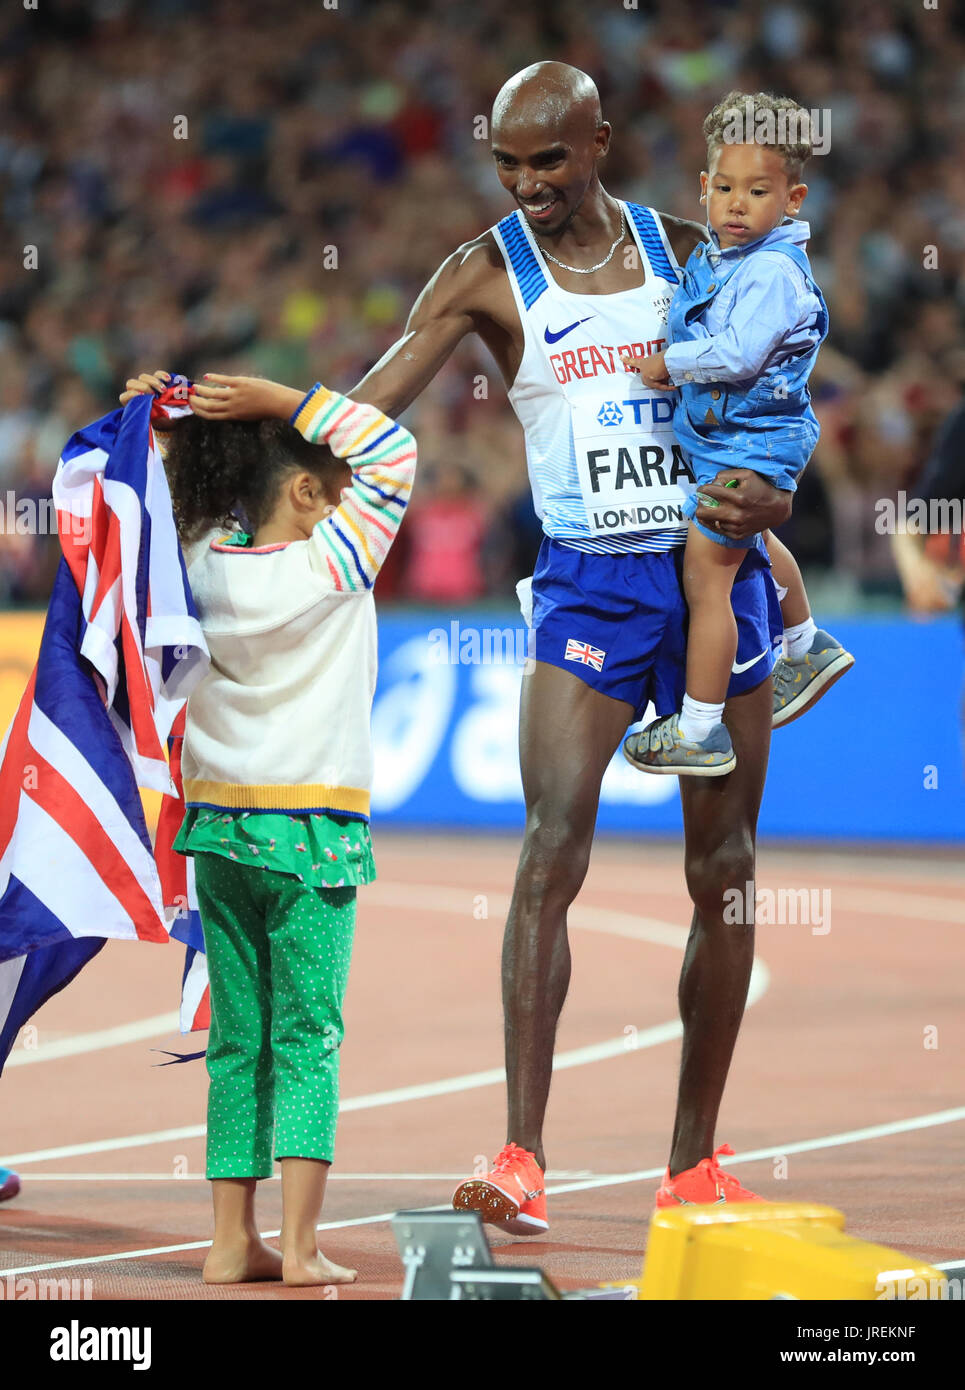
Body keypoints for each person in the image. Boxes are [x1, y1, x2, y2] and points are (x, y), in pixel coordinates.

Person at [191, 61, 795, 1232]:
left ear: (599, 141)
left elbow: (771, 380)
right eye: (508, 164)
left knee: (722, 874)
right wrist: (251, 440)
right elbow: (372, 410)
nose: (527, 185)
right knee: (547, 849)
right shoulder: (482, 274)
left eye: (550, 161)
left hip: (707, 569)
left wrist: (775, 492)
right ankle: (522, 1153)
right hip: (588, 587)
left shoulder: (694, 251)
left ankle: (688, 1160)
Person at [119, 368, 416, 1284]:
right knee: (307, 1037)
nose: (348, 499)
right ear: (303, 493)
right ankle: (298, 1248)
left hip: (218, 832)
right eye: (333, 489)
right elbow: (394, 450)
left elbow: (174, 492)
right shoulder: (336, 561)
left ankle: (224, 1244)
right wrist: (278, 401)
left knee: (238, 1039)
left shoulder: (198, 564)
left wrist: (162, 418)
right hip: (315, 835)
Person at [622, 92, 853, 776]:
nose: (735, 203)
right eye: (723, 187)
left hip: (754, 440)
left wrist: (671, 363)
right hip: (730, 441)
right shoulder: (722, 257)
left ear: (793, 198)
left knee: (707, 579)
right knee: (751, 539)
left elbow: (739, 354)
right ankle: (806, 642)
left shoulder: (773, 271)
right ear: (702, 187)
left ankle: (697, 728)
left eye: (757, 191)